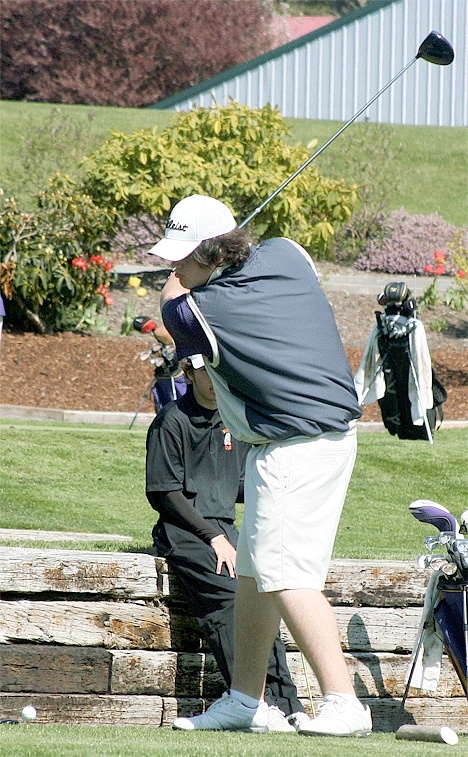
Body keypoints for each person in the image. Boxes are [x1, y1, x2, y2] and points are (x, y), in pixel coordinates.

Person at [148, 194, 373, 738]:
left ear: (208, 255)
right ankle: (247, 700)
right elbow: (252, 257)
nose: (173, 268)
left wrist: (194, 268)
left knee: (285, 572)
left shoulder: (200, 312)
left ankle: (344, 703)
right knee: (254, 572)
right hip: (318, 439)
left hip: (295, 446)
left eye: (182, 256)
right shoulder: (290, 255)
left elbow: (171, 302)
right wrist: (227, 243)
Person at [146, 354, 310, 732]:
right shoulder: (171, 421)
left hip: (225, 531)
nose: (215, 380)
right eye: (207, 372)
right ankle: (252, 704)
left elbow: (235, 487)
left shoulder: (230, 422)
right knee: (230, 600)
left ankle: (288, 704)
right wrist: (214, 537)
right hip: (184, 534)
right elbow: (164, 493)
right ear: (188, 372)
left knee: (264, 599)